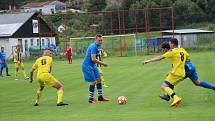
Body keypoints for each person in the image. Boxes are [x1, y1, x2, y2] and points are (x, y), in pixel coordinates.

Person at [143, 38, 189, 107]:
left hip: (176, 73)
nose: (169, 45)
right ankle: (168, 96)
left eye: (170, 43)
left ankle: (176, 98)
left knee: (164, 86)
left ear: (173, 44)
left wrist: (148, 61)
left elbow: (160, 57)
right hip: (182, 73)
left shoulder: (172, 51)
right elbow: (188, 59)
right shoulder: (182, 50)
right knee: (169, 83)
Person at [82, 34, 110, 103]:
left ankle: (100, 97)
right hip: (87, 65)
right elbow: (93, 59)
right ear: (96, 40)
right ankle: (90, 99)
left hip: (93, 65)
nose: (100, 42)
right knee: (93, 81)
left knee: (99, 79)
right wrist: (103, 63)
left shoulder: (98, 46)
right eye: (99, 40)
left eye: (101, 40)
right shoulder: (93, 47)